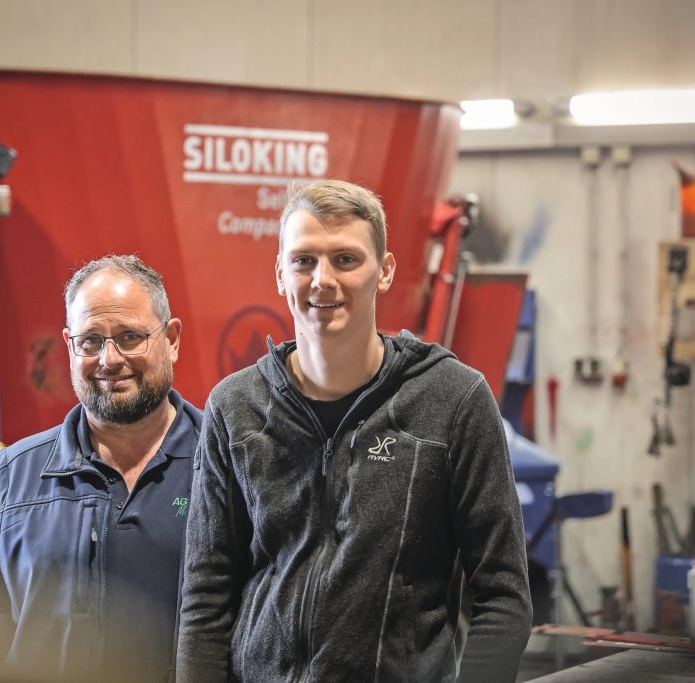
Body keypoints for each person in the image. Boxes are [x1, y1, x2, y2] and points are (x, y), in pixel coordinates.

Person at [176, 180, 531, 682]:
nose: (322, 280)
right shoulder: (235, 408)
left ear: (384, 271)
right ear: (280, 274)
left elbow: (504, 595)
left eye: (346, 259)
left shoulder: (453, 401)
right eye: (304, 261)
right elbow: (206, 594)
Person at [0, 255, 202, 683]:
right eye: (90, 341)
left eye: (130, 337)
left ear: (172, 339)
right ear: (69, 346)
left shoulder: (225, 463)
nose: (109, 359)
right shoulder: (19, 473)